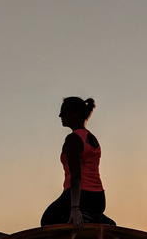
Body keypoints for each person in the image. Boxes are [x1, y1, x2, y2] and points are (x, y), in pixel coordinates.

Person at [41, 96, 116, 226]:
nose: (60, 115)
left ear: (74, 113)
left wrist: (75, 208)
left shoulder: (73, 139)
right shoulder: (91, 138)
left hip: (81, 197)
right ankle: (94, 218)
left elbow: (76, 175)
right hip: (98, 199)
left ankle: (86, 216)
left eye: (63, 111)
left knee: (48, 220)